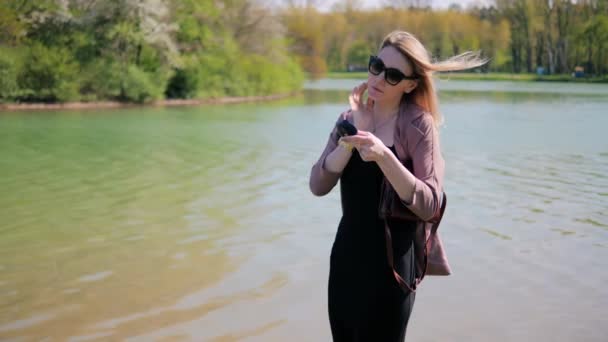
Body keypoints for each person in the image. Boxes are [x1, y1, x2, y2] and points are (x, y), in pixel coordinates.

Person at [309, 31, 488, 341]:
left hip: (394, 266)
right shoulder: (348, 118)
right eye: (376, 66)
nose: (379, 77)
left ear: (410, 84)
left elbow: (430, 203)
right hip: (347, 259)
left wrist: (383, 156)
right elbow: (317, 185)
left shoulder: (418, 124)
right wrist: (353, 138)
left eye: (392, 75)